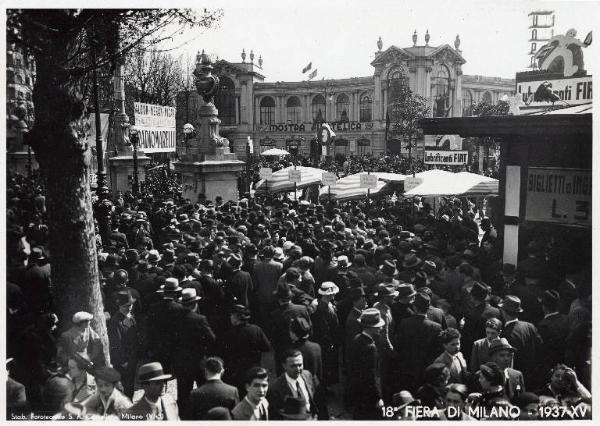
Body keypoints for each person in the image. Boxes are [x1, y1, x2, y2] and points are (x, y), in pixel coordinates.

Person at [172, 287, 216, 415]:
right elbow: (211, 339)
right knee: (203, 390)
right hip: (198, 360)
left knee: (183, 393)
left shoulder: (175, 318)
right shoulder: (200, 319)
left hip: (180, 361)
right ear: (195, 304)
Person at [394, 292, 442, 393]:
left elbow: (398, 346)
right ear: (428, 309)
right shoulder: (436, 327)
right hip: (426, 370)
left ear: (415, 307)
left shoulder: (404, 323)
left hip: (407, 369)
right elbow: (438, 351)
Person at [220, 304, 271, 395]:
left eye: (231, 315)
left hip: (236, 372)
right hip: (253, 369)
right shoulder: (256, 329)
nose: (230, 317)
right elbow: (266, 347)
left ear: (236, 317)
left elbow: (224, 354)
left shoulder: (229, 334)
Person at [346, 308, 386, 420]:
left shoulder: (357, 339)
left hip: (357, 391)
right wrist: (378, 397)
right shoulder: (370, 347)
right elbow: (372, 375)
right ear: (370, 327)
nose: (380, 328)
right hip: (368, 395)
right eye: (377, 326)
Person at [499, 295, 543, 388]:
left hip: (516, 378)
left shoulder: (505, 334)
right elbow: (540, 346)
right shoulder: (529, 326)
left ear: (503, 312)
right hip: (533, 375)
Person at [267, 349, 320, 420]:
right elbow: (274, 415)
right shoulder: (275, 388)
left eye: (300, 365)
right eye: (293, 366)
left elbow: (315, 400)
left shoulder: (307, 375)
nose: (298, 369)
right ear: (284, 366)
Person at [106, 291, 141, 398]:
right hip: (124, 361)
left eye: (131, 305)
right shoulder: (116, 322)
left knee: (130, 385)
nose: (130, 308)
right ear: (120, 306)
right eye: (127, 306)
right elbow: (116, 344)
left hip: (132, 357)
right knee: (126, 387)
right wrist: (123, 361)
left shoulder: (130, 316)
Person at [311, 281, 339, 387]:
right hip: (326, 342)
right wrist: (330, 342)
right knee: (325, 366)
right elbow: (324, 329)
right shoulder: (322, 309)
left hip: (327, 340)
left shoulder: (326, 304)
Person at [488, 337, 525, 403]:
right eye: (502, 355)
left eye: (508, 355)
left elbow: (523, 401)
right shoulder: (484, 376)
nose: (506, 358)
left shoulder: (517, 375)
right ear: (493, 357)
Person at [288, 317, 323, 381]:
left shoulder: (291, 351)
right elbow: (319, 372)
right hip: (315, 384)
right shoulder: (316, 347)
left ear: (294, 334)